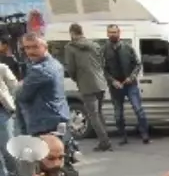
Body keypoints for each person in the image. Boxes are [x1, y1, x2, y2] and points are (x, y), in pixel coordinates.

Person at [62, 23, 111, 151]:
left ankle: (104, 142)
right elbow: (102, 62)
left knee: (93, 115)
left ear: (72, 33)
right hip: (100, 83)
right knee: (99, 113)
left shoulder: (70, 48)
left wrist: (76, 78)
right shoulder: (94, 45)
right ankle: (105, 138)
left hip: (86, 84)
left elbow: (70, 67)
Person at [101, 25, 149, 146]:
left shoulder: (127, 47)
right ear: (107, 34)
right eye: (110, 32)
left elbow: (138, 64)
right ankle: (122, 136)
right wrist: (112, 81)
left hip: (130, 84)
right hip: (115, 86)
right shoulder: (104, 50)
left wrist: (131, 77)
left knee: (138, 109)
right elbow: (102, 69)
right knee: (118, 114)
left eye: (115, 32)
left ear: (119, 33)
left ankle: (144, 134)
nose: (113, 34)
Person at [16, 34, 69, 138]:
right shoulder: (54, 63)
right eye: (27, 47)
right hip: (55, 120)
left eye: (35, 47)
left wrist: (21, 85)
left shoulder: (40, 69)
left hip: (44, 125)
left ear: (45, 47)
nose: (30, 51)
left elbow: (21, 95)